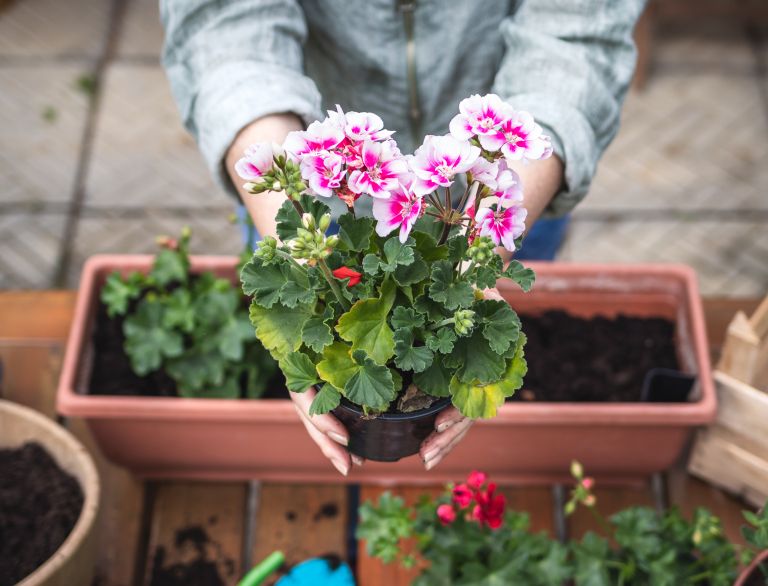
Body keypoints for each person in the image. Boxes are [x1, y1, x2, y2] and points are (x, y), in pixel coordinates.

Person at [161, 0, 646, 476]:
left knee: (486, 322)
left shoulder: (494, 192)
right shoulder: (310, 197)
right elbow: (222, 24)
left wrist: (482, 257)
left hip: (513, 192)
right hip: (314, 195)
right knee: (300, 297)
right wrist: (291, 222)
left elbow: (578, 29)